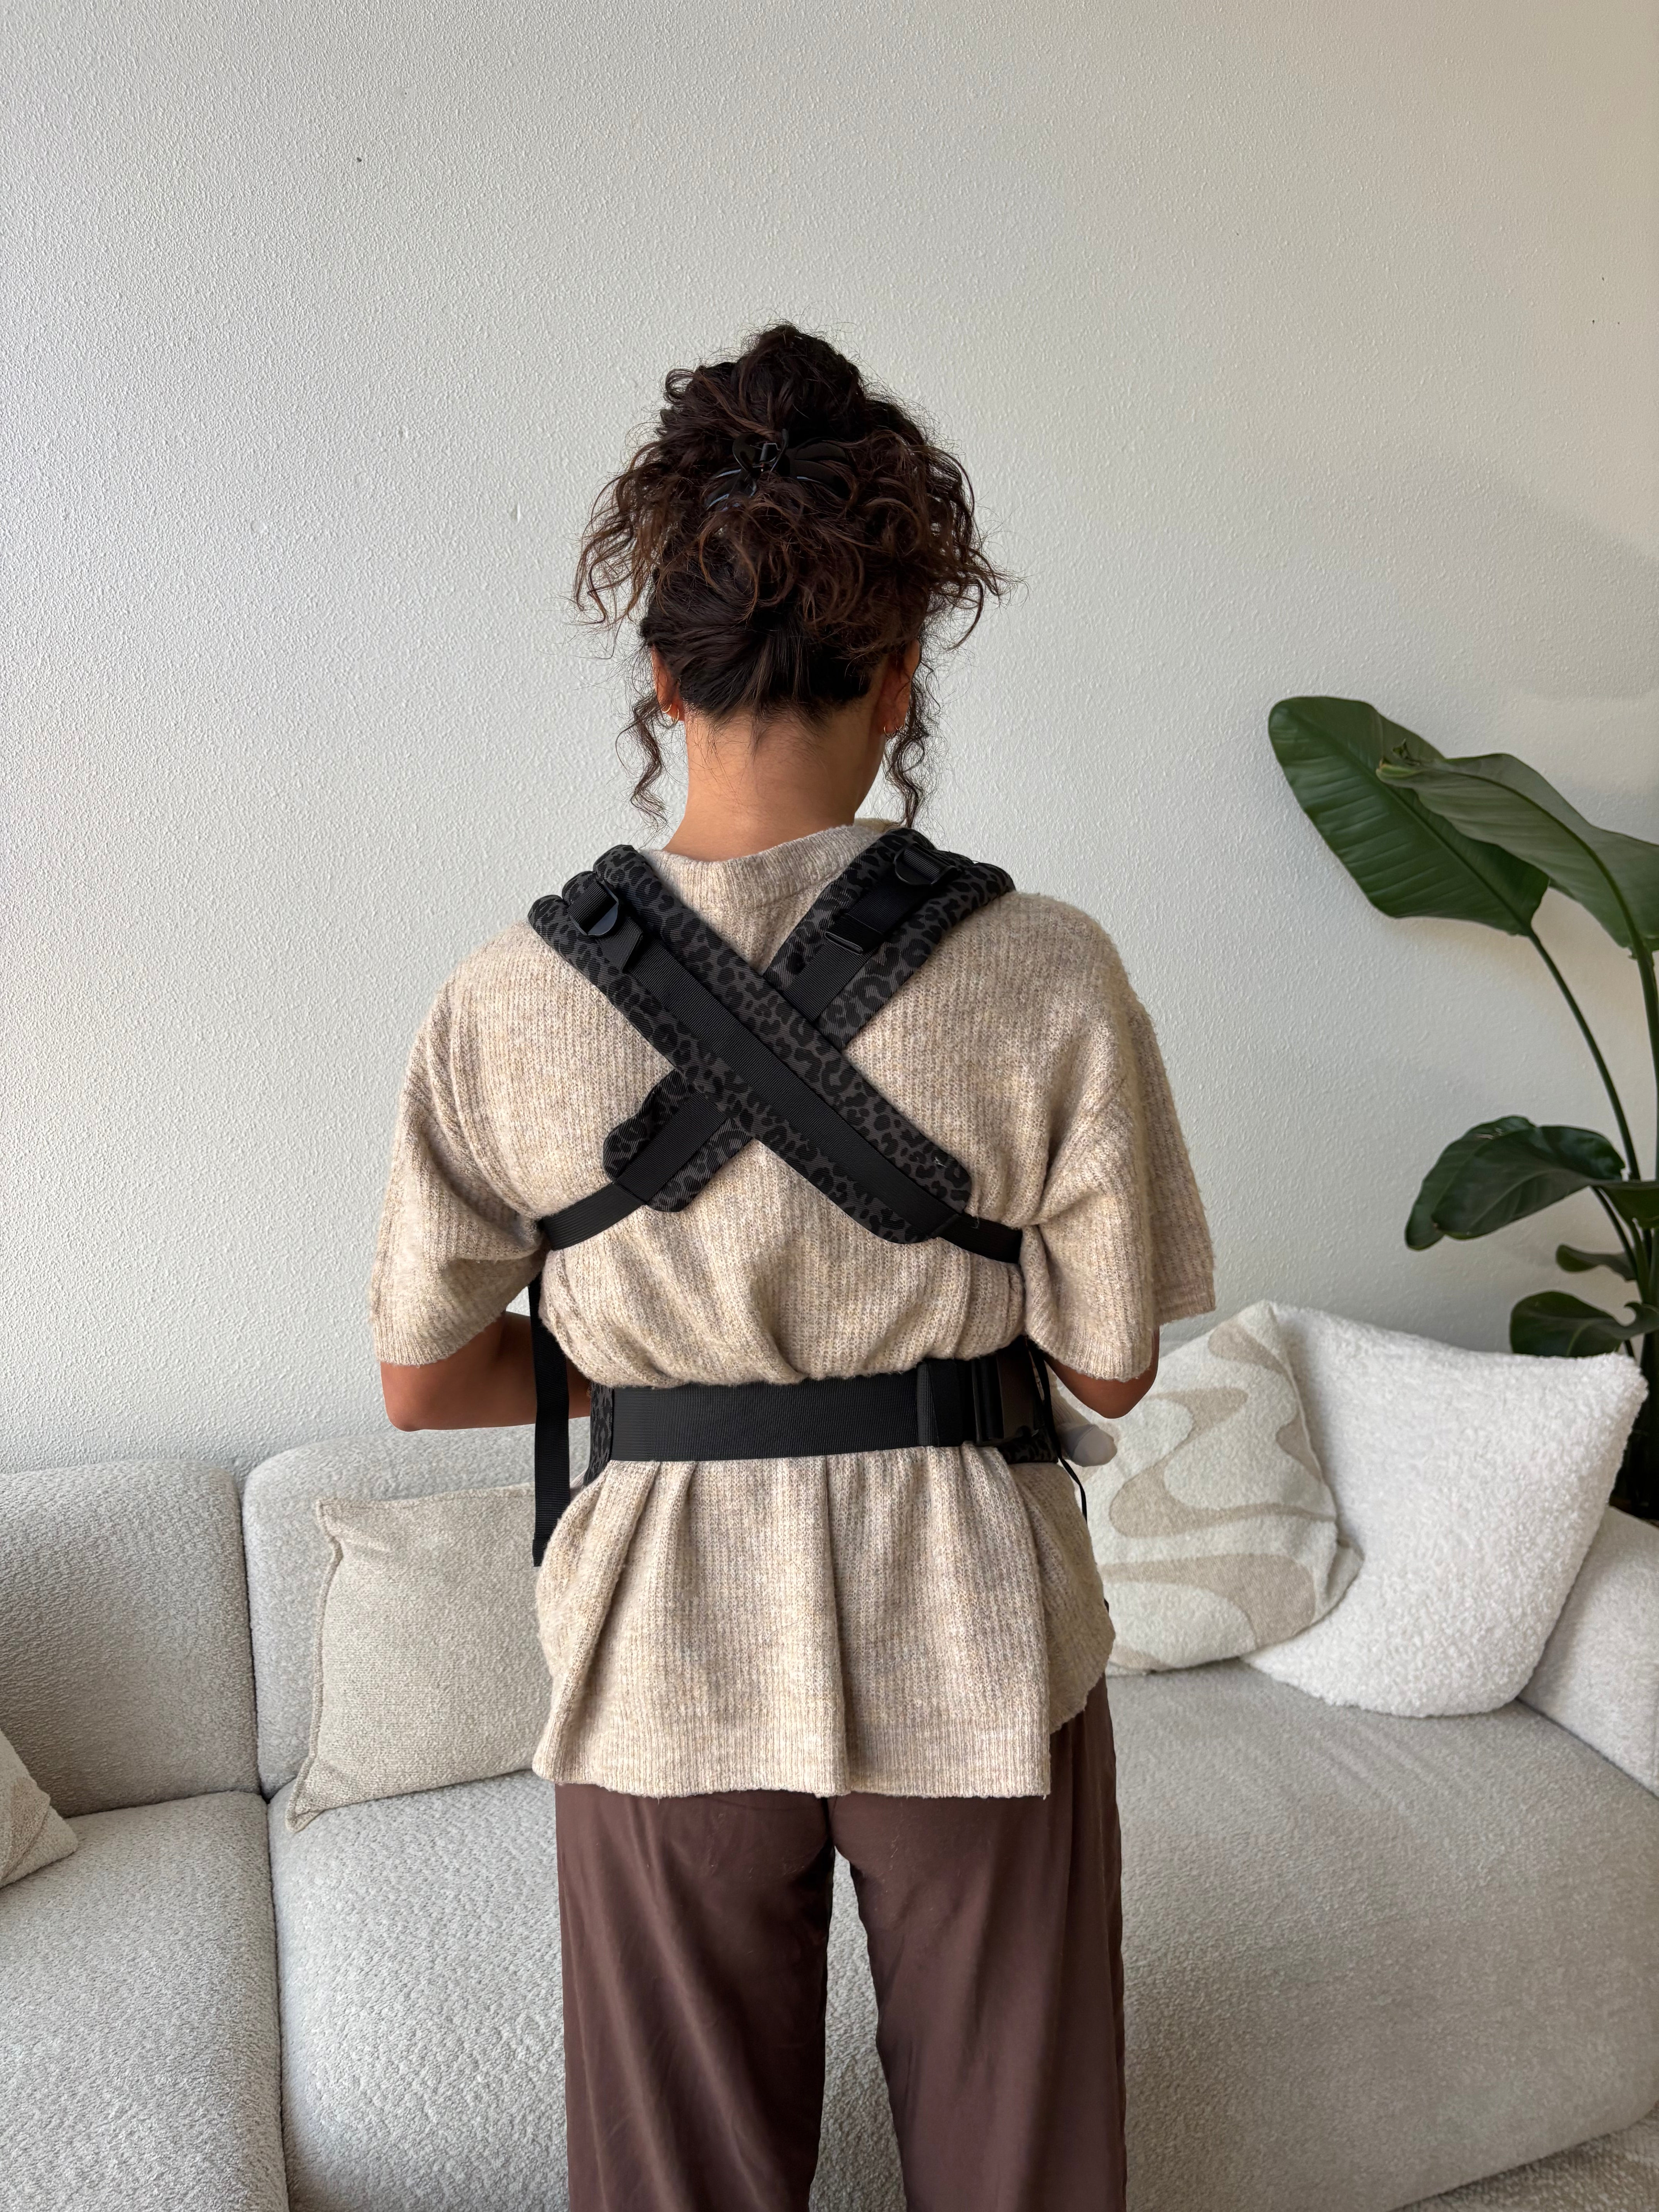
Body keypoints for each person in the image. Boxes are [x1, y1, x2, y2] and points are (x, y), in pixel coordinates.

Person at [372, 323, 1214, 2212]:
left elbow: (424, 1382)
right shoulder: (1047, 971)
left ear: (662, 675)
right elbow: (1109, 1370)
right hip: (973, 1623)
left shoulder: (505, 1001)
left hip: (658, 1631)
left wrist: (636, 1375)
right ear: (901, 676)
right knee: (1022, 2173)